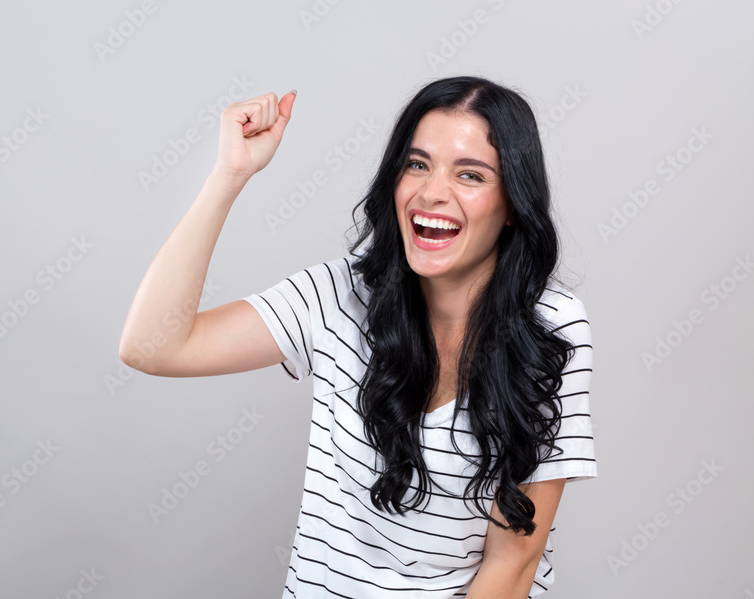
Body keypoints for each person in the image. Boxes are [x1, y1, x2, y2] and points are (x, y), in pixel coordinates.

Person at [119, 76, 596, 598]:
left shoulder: (551, 324)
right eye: (417, 165)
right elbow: (152, 345)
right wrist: (228, 176)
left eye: (471, 175)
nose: (432, 193)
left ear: (512, 204)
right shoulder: (337, 297)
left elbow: (514, 561)